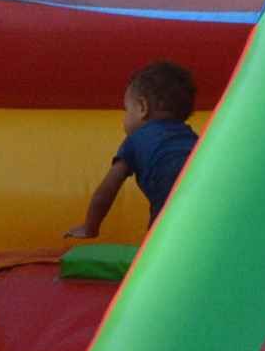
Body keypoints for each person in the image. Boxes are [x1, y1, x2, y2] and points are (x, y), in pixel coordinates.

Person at [66, 60, 200, 240]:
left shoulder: (136, 140)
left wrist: (90, 227)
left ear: (142, 107)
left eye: (127, 109)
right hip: (209, 188)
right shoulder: (191, 138)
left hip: (172, 195)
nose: (125, 116)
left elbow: (107, 189)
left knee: (160, 237)